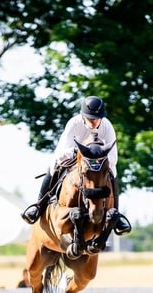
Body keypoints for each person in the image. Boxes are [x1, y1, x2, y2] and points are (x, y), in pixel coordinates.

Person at [21, 95, 131, 235]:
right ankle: (39, 205)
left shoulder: (107, 126)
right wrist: (79, 152)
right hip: (73, 158)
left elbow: (113, 157)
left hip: (99, 161)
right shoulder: (74, 124)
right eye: (91, 118)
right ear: (83, 116)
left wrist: (98, 158)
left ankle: (116, 213)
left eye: (97, 119)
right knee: (52, 165)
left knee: (112, 172)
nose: (94, 122)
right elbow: (61, 153)